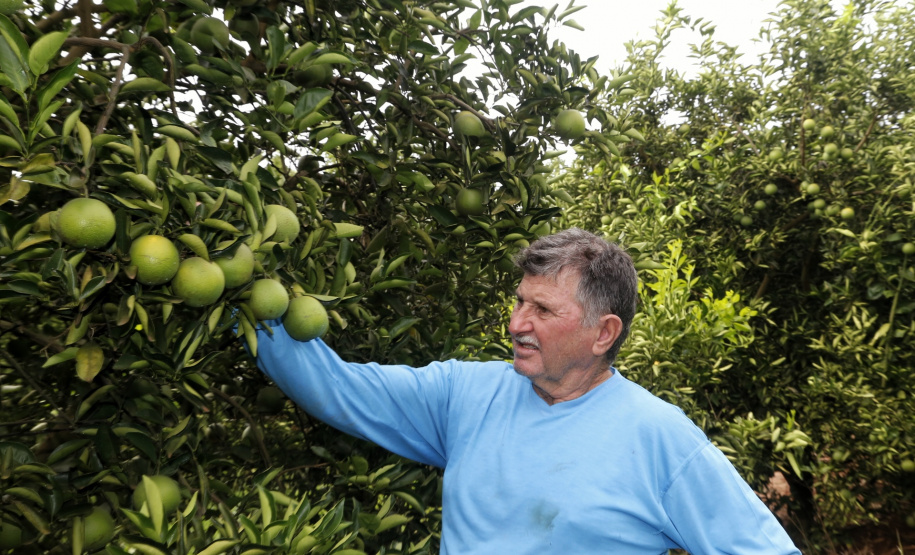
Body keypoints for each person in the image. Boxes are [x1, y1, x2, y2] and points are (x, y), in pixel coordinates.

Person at [252, 228, 801, 554]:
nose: (517, 323)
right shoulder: (464, 394)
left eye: (542, 309)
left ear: (603, 333)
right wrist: (247, 294)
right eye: (519, 301)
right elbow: (337, 388)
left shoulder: (659, 438)